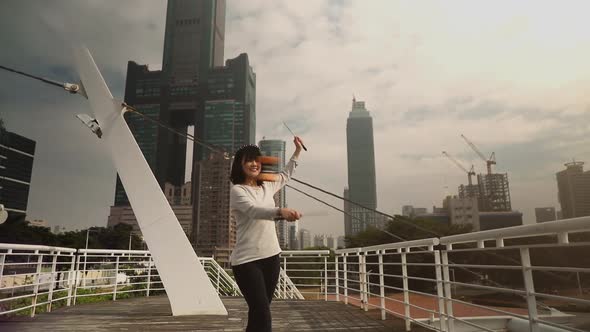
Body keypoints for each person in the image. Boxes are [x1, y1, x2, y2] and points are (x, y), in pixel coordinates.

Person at [229, 136, 305, 332]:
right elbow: (254, 211)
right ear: (240, 164)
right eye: (248, 160)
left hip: (271, 257)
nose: (254, 164)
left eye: (257, 160)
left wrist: (297, 151)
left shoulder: (267, 186)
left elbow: (286, 175)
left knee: (259, 313)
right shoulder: (238, 191)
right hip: (247, 261)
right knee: (262, 313)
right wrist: (281, 212)